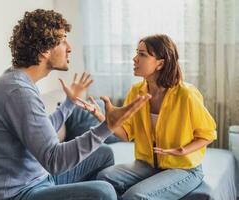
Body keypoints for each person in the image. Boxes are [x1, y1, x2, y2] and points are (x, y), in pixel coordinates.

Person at [0, 9, 150, 200]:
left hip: (40, 179)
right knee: (104, 192)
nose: (69, 47)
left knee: (104, 153)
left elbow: (42, 133)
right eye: (62, 41)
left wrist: (69, 103)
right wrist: (107, 127)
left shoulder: (18, 81)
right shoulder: (18, 92)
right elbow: (55, 160)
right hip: (17, 194)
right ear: (44, 50)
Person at [80, 34, 216, 200]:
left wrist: (182, 150)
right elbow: (126, 134)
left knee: (135, 196)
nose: (135, 59)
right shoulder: (136, 91)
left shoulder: (186, 94)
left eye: (142, 55)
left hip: (184, 168)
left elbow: (208, 134)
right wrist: (101, 116)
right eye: (137, 53)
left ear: (160, 63)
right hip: (149, 165)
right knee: (104, 178)